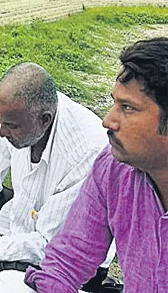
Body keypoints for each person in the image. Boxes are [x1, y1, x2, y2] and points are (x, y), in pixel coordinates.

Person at [0, 63, 110, 292]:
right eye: (1, 121)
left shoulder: (86, 151)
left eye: (11, 126)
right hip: (24, 216)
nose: (2, 132)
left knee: (3, 281)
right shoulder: (19, 116)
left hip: (64, 257)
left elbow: (50, 244)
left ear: (44, 120)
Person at [12, 38, 168, 293]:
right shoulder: (114, 170)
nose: (108, 121)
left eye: (127, 108)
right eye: (115, 103)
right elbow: (67, 261)